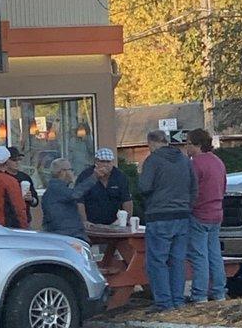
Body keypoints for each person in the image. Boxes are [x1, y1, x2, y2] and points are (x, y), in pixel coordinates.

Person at [139, 130, 197, 313]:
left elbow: (144, 187)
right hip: (182, 215)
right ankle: (178, 300)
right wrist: (187, 206)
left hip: (159, 215)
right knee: (177, 261)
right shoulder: (184, 160)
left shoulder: (153, 160)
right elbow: (194, 187)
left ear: (153, 143)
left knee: (157, 261)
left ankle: (164, 303)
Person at [186, 128, 227, 302]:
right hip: (217, 212)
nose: (186, 146)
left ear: (196, 144)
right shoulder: (218, 162)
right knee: (215, 254)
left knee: (199, 256)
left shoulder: (195, 163)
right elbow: (223, 187)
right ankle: (219, 292)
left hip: (199, 213)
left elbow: (191, 190)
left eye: (188, 143)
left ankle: (199, 294)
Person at [42, 158, 106, 242]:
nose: (73, 172)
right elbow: (76, 194)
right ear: (62, 172)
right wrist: (94, 177)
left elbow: (65, 213)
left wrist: (83, 222)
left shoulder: (56, 189)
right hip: (67, 237)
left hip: (67, 235)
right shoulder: (56, 188)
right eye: (71, 169)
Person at [76, 148, 133, 226]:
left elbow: (127, 200)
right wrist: (84, 221)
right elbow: (79, 201)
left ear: (112, 162)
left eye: (108, 162)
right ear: (96, 162)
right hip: (91, 224)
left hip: (114, 224)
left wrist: (126, 220)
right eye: (102, 161)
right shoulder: (85, 176)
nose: (106, 164)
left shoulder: (120, 177)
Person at [6, 146, 39, 226]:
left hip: (25, 219)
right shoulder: (3, 178)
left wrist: (31, 199)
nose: (17, 162)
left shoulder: (25, 177)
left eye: (19, 160)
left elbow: (35, 202)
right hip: (7, 221)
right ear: (6, 161)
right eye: (14, 160)